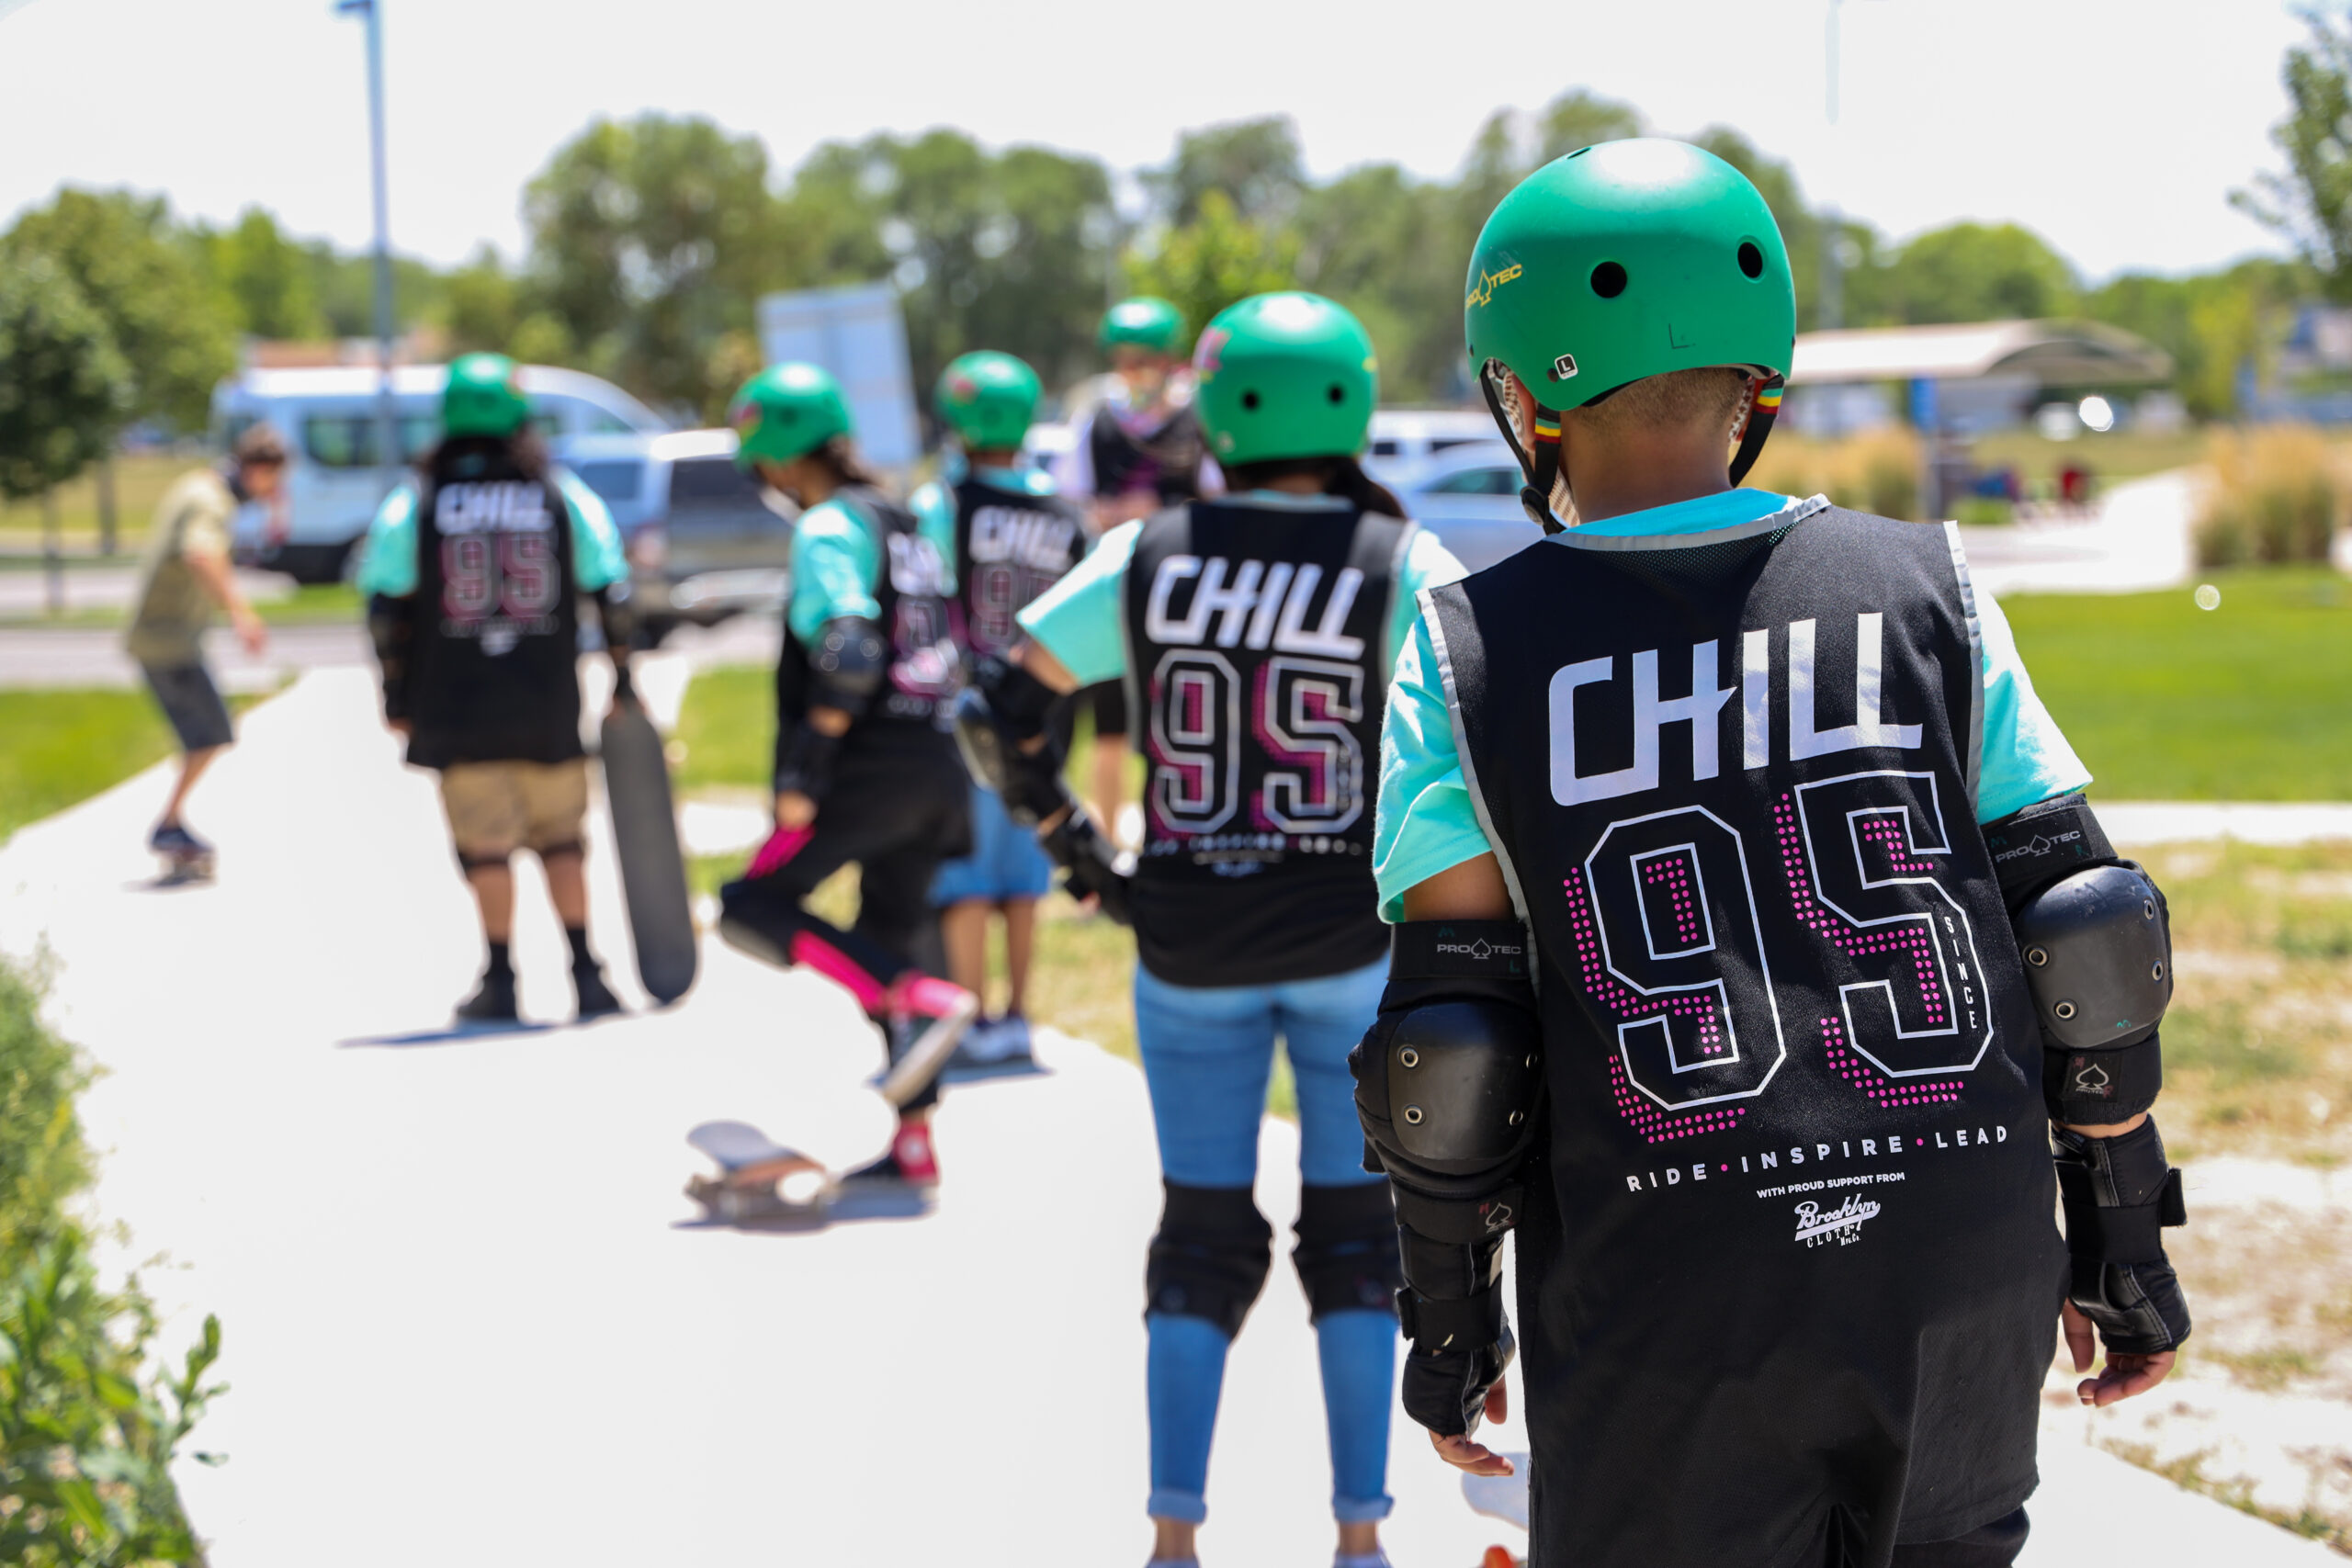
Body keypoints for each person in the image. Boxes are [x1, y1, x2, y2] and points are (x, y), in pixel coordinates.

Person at [1354, 140, 2190, 1568]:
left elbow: (1455, 1047)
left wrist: (1448, 1319)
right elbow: (2086, 940)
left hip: (1671, 1282)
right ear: (1765, 375)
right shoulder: (1930, 583)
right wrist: (2124, 1240)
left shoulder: (1465, 646)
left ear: (1524, 393)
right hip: (1960, 1249)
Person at [964, 293, 1469, 1568]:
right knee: (1357, 1242)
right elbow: (1485, 730)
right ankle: (1361, 1533)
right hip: (1347, 942)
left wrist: (1083, 853)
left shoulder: (1151, 548)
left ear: (1215, 404)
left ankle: (1173, 1532)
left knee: (1199, 1228)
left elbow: (999, 712)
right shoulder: (1397, 556)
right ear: (1349, 399)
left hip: (1186, 945)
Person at [715, 362, 978, 1188]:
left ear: (784, 457)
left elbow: (851, 649)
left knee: (750, 905)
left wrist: (806, 766)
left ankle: (917, 1000)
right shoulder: (904, 519)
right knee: (888, 931)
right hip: (937, 756)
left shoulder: (828, 526)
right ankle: (913, 1142)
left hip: (868, 767)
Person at [356, 353, 632, 1023]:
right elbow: (613, 587)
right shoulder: (560, 493)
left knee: (485, 847)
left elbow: (386, 605)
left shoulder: (415, 501)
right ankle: (587, 972)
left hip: (454, 703)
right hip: (547, 700)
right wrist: (626, 680)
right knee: (562, 838)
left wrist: (395, 697)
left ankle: (501, 979)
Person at [915, 351, 1088, 1072]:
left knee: (964, 879)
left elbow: (924, 594)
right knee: (1023, 877)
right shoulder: (1063, 513)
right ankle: (1017, 1016)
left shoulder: (944, 502)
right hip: (1043, 717)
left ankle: (967, 1017)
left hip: (967, 716)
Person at [1051, 297, 1216, 848]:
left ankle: (1178, 834)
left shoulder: (1199, 417)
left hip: (1187, 590)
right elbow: (1070, 494)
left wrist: (1161, 510)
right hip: (1117, 588)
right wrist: (1110, 511)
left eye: (1145, 357)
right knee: (1109, 726)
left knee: (1183, 721)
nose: (1134, 369)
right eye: (1124, 358)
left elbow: (1218, 496)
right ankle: (1107, 840)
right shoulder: (1097, 419)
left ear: (1171, 358)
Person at [123, 423, 285, 879]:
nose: (274, 492)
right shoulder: (211, 502)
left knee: (206, 733)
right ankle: (169, 824)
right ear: (260, 470)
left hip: (165, 636)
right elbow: (200, 553)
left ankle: (171, 823)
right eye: (275, 481)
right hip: (167, 639)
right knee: (211, 732)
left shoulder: (199, 484)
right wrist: (242, 612)